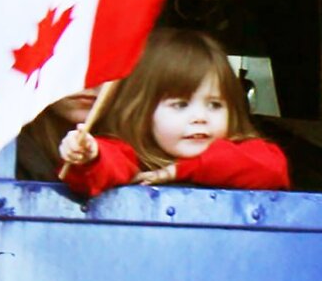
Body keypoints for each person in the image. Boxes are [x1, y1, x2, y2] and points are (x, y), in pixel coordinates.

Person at [58, 28, 289, 198]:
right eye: (180, 105)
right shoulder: (131, 156)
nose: (200, 117)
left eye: (215, 105)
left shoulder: (247, 152)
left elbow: (272, 170)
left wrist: (179, 171)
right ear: (143, 110)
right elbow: (104, 168)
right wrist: (90, 155)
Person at [16, 87, 100, 181]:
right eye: (68, 71)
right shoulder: (6, 151)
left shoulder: (117, 149)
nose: (90, 83)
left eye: (103, 71)